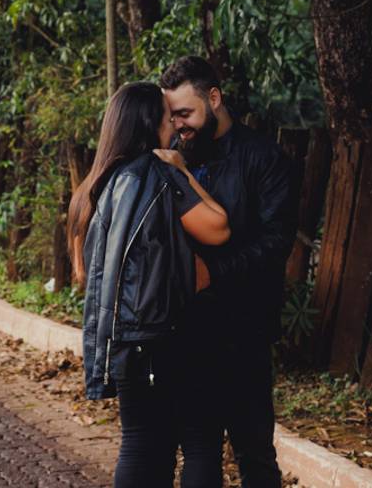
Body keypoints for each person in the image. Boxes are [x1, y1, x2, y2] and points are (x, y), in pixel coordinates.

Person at [67, 81, 231, 488]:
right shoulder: (156, 177)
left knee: (141, 442)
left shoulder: (91, 187)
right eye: (166, 115)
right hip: (166, 332)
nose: (174, 125)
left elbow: (83, 273)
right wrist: (181, 171)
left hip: (120, 337)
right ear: (148, 123)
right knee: (198, 440)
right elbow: (218, 228)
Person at [159, 55, 297, 488]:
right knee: (196, 452)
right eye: (171, 115)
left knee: (254, 454)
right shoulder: (175, 155)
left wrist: (211, 272)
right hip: (185, 329)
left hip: (244, 331)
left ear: (214, 98)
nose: (178, 124)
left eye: (185, 112)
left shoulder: (264, 157)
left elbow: (277, 244)